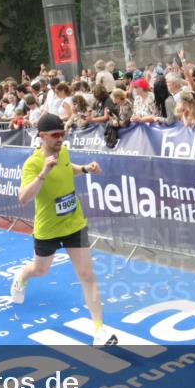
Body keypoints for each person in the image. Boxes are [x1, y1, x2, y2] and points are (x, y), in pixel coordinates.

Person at [10, 114, 117, 347]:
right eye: (56, 135)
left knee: (87, 275)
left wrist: (86, 169)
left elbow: (69, 169)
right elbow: (23, 198)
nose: (61, 138)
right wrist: (43, 173)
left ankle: (99, 330)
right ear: (42, 137)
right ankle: (21, 276)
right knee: (40, 270)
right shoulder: (33, 163)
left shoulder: (64, 152)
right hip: (48, 228)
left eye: (63, 133)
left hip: (74, 224)